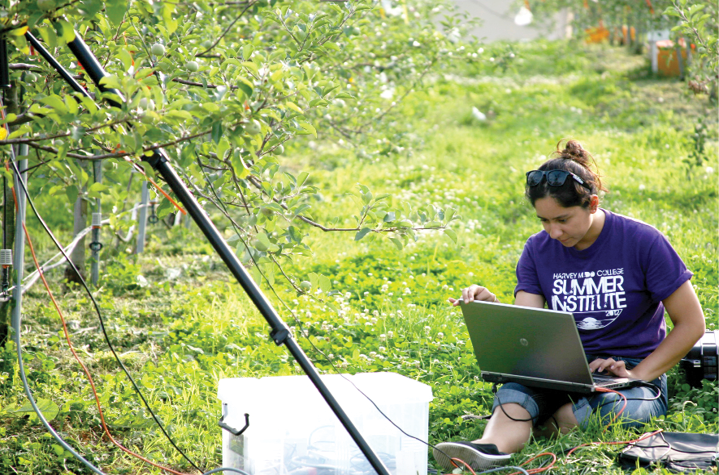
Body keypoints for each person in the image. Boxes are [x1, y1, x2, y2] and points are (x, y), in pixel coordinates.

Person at [433, 140, 706, 472]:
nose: (553, 232)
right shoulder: (537, 249)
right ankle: (485, 451)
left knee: (608, 411)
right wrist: (494, 309)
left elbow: (692, 324)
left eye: (562, 219)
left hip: (629, 372)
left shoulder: (643, 241)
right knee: (515, 395)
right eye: (544, 221)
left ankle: (539, 424)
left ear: (592, 203)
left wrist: (636, 373)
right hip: (558, 368)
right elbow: (531, 326)